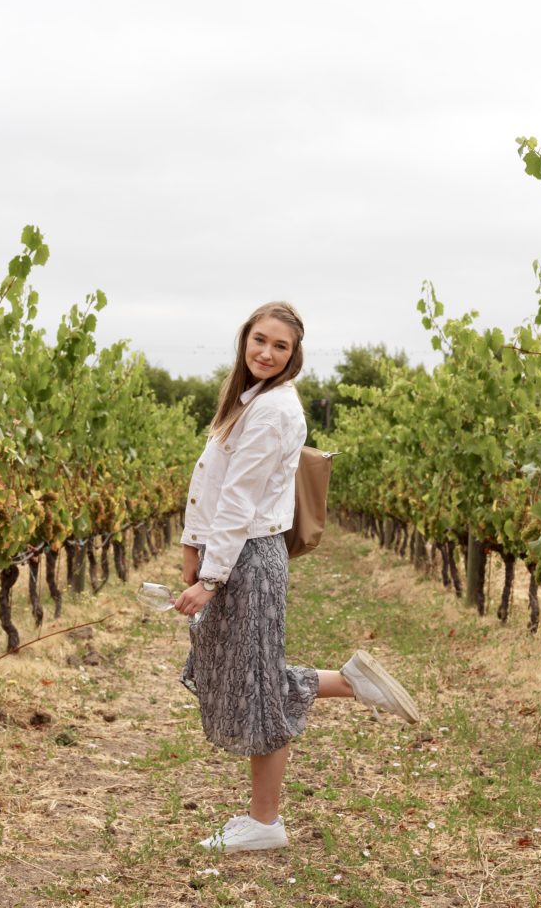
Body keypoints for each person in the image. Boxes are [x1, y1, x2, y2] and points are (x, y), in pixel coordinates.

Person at [173, 301, 419, 854]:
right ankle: (350, 683)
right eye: (259, 339)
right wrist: (193, 547)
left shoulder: (275, 410)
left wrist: (209, 578)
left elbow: (238, 501)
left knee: (258, 683)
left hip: (248, 559)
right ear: (245, 340)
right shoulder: (248, 401)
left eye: (279, 346)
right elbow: (210, 484)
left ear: (294, 354)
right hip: (234, 554)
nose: (266, 352)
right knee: (239, 669)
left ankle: (266, 822)